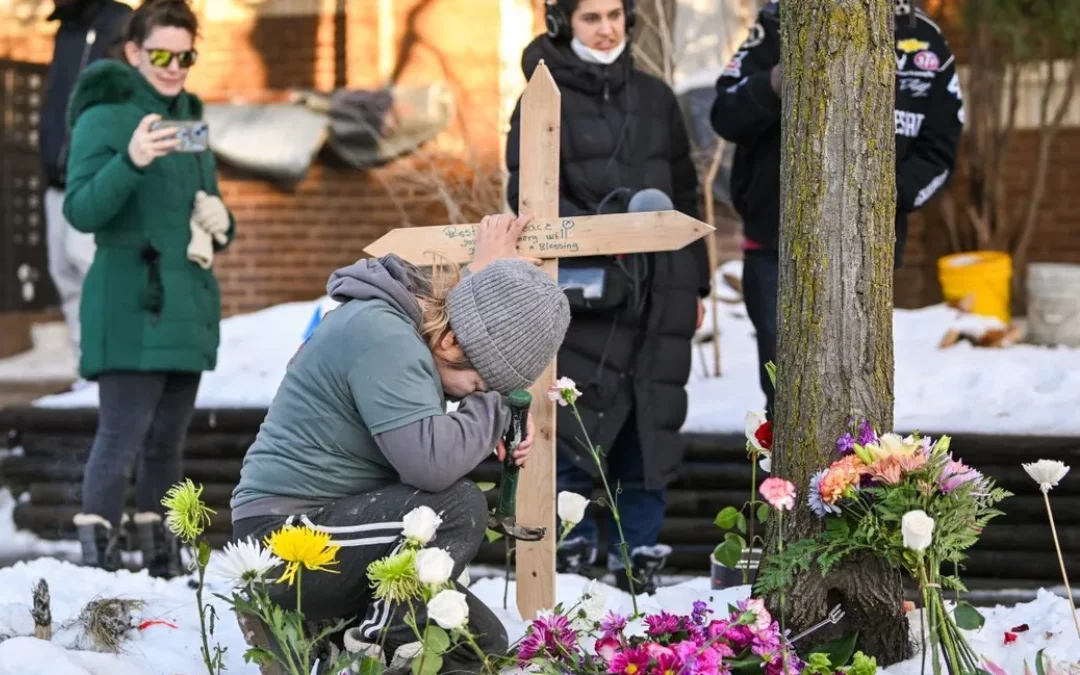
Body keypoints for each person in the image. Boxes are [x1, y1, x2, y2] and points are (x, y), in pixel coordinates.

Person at [230, 214, 571, 674]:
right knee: (455, 508)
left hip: (344, 531)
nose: (471, 396)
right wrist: (493, 411)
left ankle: (324, 632)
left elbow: (463, 338)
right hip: (283, 538)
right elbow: (428, 466)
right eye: (475, 385)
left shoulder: (418, 335)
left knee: (479, 644)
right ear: (451, 339)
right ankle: (369, 652)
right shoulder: (385, 336)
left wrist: (497, 403)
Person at [505, 0, 710, 595]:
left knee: (650, 424)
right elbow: (531, 202)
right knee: (573, 420)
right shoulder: (540, 100)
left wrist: (694, 281)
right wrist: (608, 228)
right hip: (584, 295)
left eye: (615, 14)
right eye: (592, 16)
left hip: (661, 289)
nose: (606, 26)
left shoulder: (656, 97)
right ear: (563, 22)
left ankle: (637, 557)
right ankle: (570, 557)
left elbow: (686, 190)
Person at [710, 0, 963, 416]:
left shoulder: (925, 40)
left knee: (858, 393)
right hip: (775, 246)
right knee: (790, 399)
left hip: (868, 249)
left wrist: (881, 197)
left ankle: (858, 480)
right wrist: (774, 82)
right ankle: (784, 482)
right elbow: (724, 114)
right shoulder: (780, 19)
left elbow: (941, 150)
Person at [64, 0, 234, 576]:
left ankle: (165, 566)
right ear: (134, 51)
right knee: (121, 437)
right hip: (129, 299)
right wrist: (130, 161)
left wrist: (220, 221)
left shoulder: (189, 119)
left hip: (185, 300)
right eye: (160, 53)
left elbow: (204, 207)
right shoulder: (105, 117)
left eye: (185, 55)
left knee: (168, 443)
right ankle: (97, 574)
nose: (173, 66)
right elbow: (82, 209)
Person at [40, 0, 133, 362]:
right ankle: (86, 366)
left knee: (93, 266)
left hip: (95, 173)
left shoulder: (119, 22)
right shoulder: (66, 30)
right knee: (62, 272)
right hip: (57, 176)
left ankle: (111, 363)